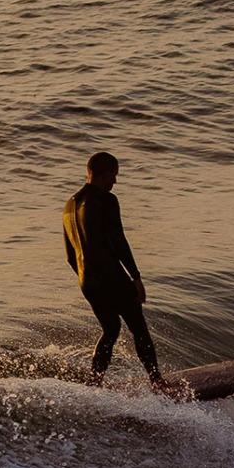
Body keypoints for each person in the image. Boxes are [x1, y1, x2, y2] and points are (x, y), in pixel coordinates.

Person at [63, 151, 163, 386]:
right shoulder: (106, 200)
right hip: (110, 274)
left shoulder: (69, 206)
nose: (115, 182)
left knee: (111, 329)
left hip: (87, 281)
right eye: (113, 176)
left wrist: (88, 279)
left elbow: (69, 256)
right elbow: (118, 241)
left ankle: (95, 381)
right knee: (138, 328)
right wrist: (135, 278)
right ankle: (157, 381)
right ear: (102, 174)